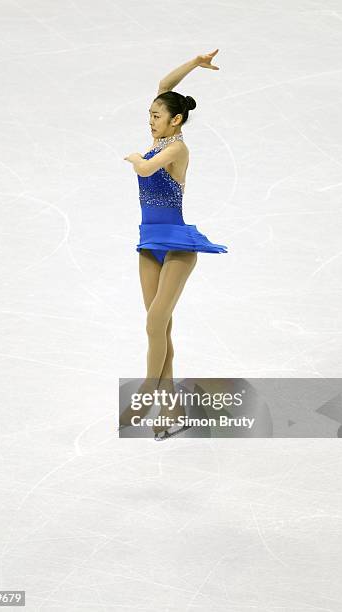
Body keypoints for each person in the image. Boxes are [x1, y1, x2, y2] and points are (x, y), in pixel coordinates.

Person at [120, 50, 228, 440]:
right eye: (149, 115)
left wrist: (135, 157)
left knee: (154, 321)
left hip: (178, 248)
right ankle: (172, 410)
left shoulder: (176, 148)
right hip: (149, 244)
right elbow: (166, 87)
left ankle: (148, 391)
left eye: (156, 116)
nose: (150, 121)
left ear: (175, 120)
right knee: (159, 328)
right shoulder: (165, 127)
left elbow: (146, 168)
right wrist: (194, 64)